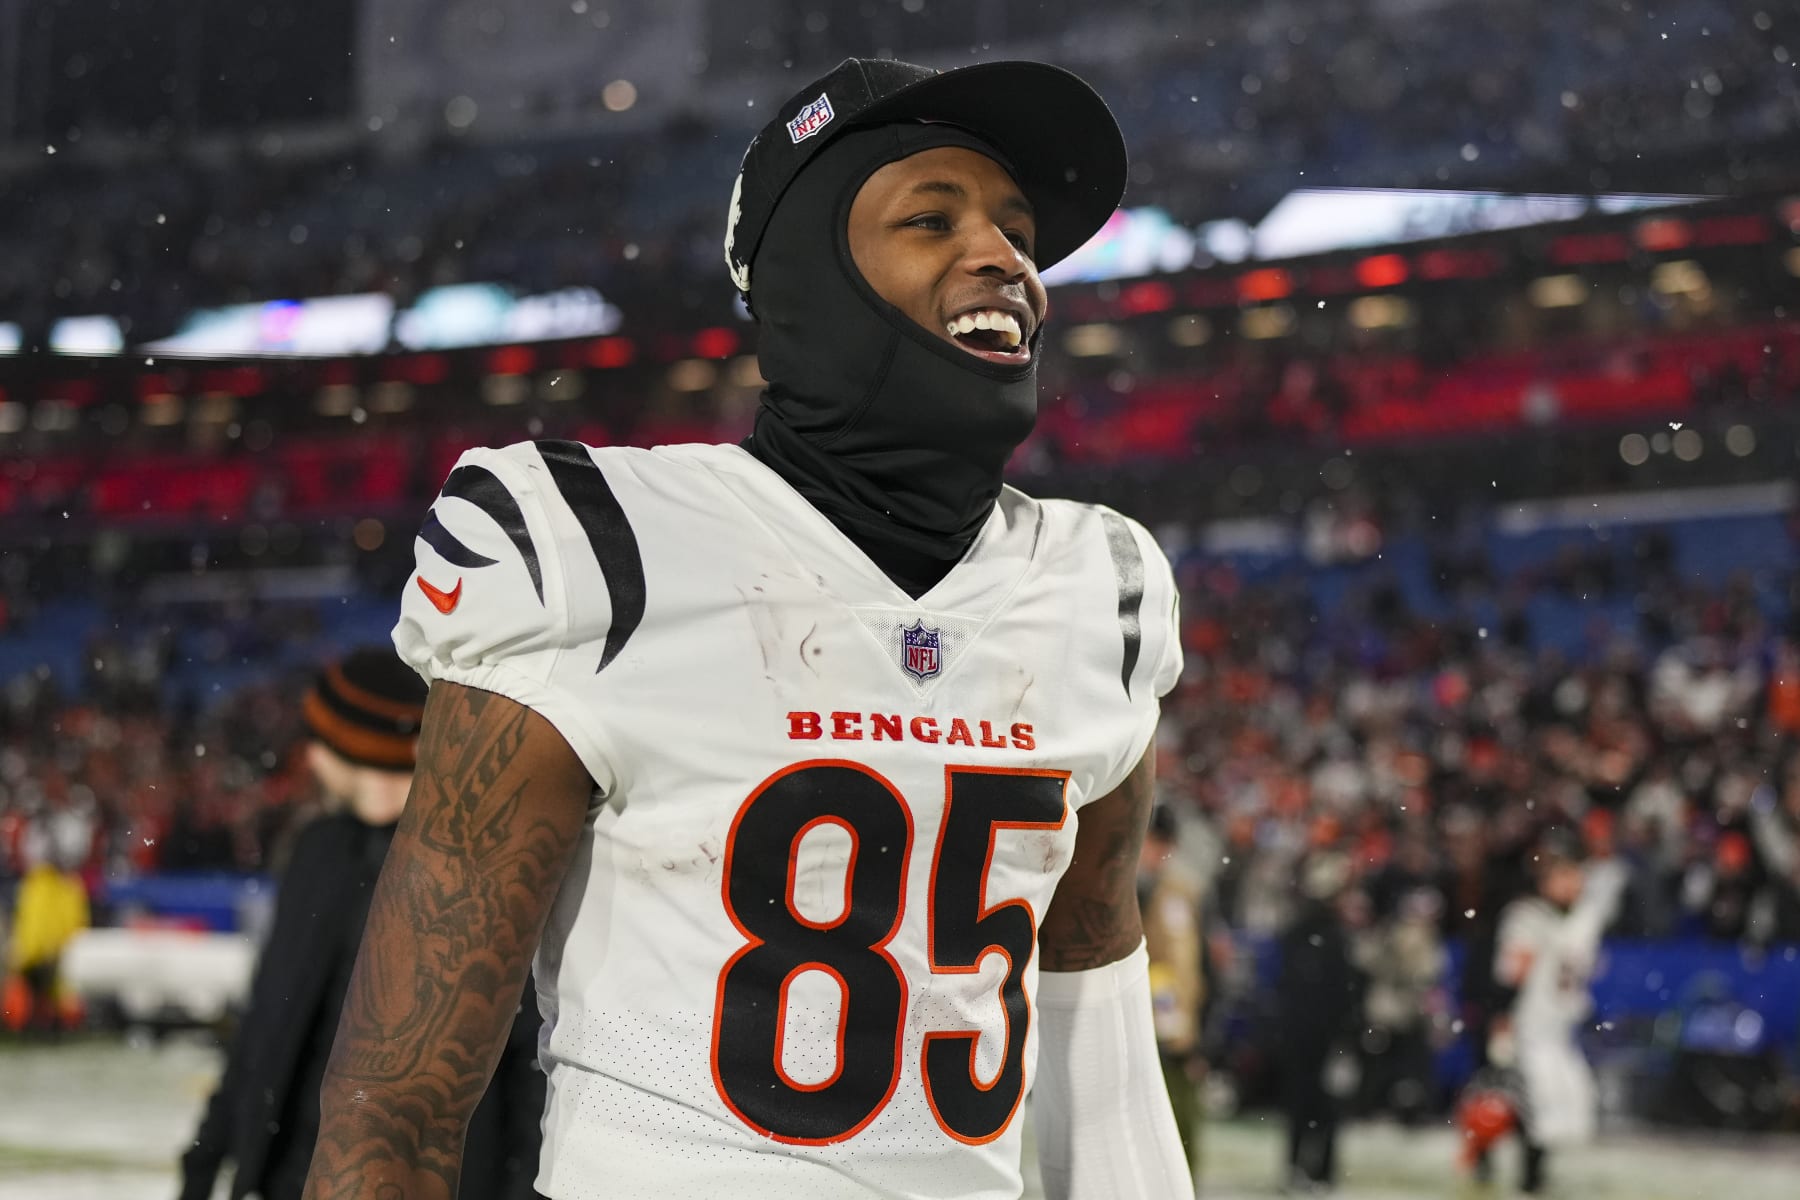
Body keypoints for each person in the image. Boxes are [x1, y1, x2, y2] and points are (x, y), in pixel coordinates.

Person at [306, 56, 1191, 1200]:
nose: (1004, 258)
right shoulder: (599, 553)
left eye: (1017, 230)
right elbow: (400, 1111)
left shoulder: (1095, 586)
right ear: (805, 277)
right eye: (932, 217)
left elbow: (1098, 1050)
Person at [180, 648, 544, 1200]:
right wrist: (207, 1158)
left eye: (321, 740)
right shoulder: (320, 851)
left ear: (352, 748)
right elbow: (268, 1024)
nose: (312, 757)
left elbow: (523, 1060)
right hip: (298, 1176)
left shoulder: (474, 863)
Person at [1484, 827, 1626, 1194]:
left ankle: (1510, 1153)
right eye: (1561, 875)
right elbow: (1510, 976)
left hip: (1560, 1029)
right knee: (1542, 1108)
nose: (1570, 883)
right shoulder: (1528, 917)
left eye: (1573, 874)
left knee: (1572, 1112)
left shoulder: (1584, 916)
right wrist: (1501, 1021)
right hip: (1530, 1026)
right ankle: (1516, 1168)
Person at [1274, 853, 1362, 1194]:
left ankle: (1307, 1170)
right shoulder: (1325, 936)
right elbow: (1344, 992)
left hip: (1312, 1035)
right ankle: (1313, 1172)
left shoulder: (1310, 934)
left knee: (1311, 1106)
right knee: (1316, 1106)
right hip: (1316, 1036)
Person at [1139, 804, 1207, 1170]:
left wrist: (1177, 1028)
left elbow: (1178, 967)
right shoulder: (1161, 886)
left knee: (1173, 1123)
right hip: (1162, 1017)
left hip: (1167, 1023)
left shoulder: (1172, 891)